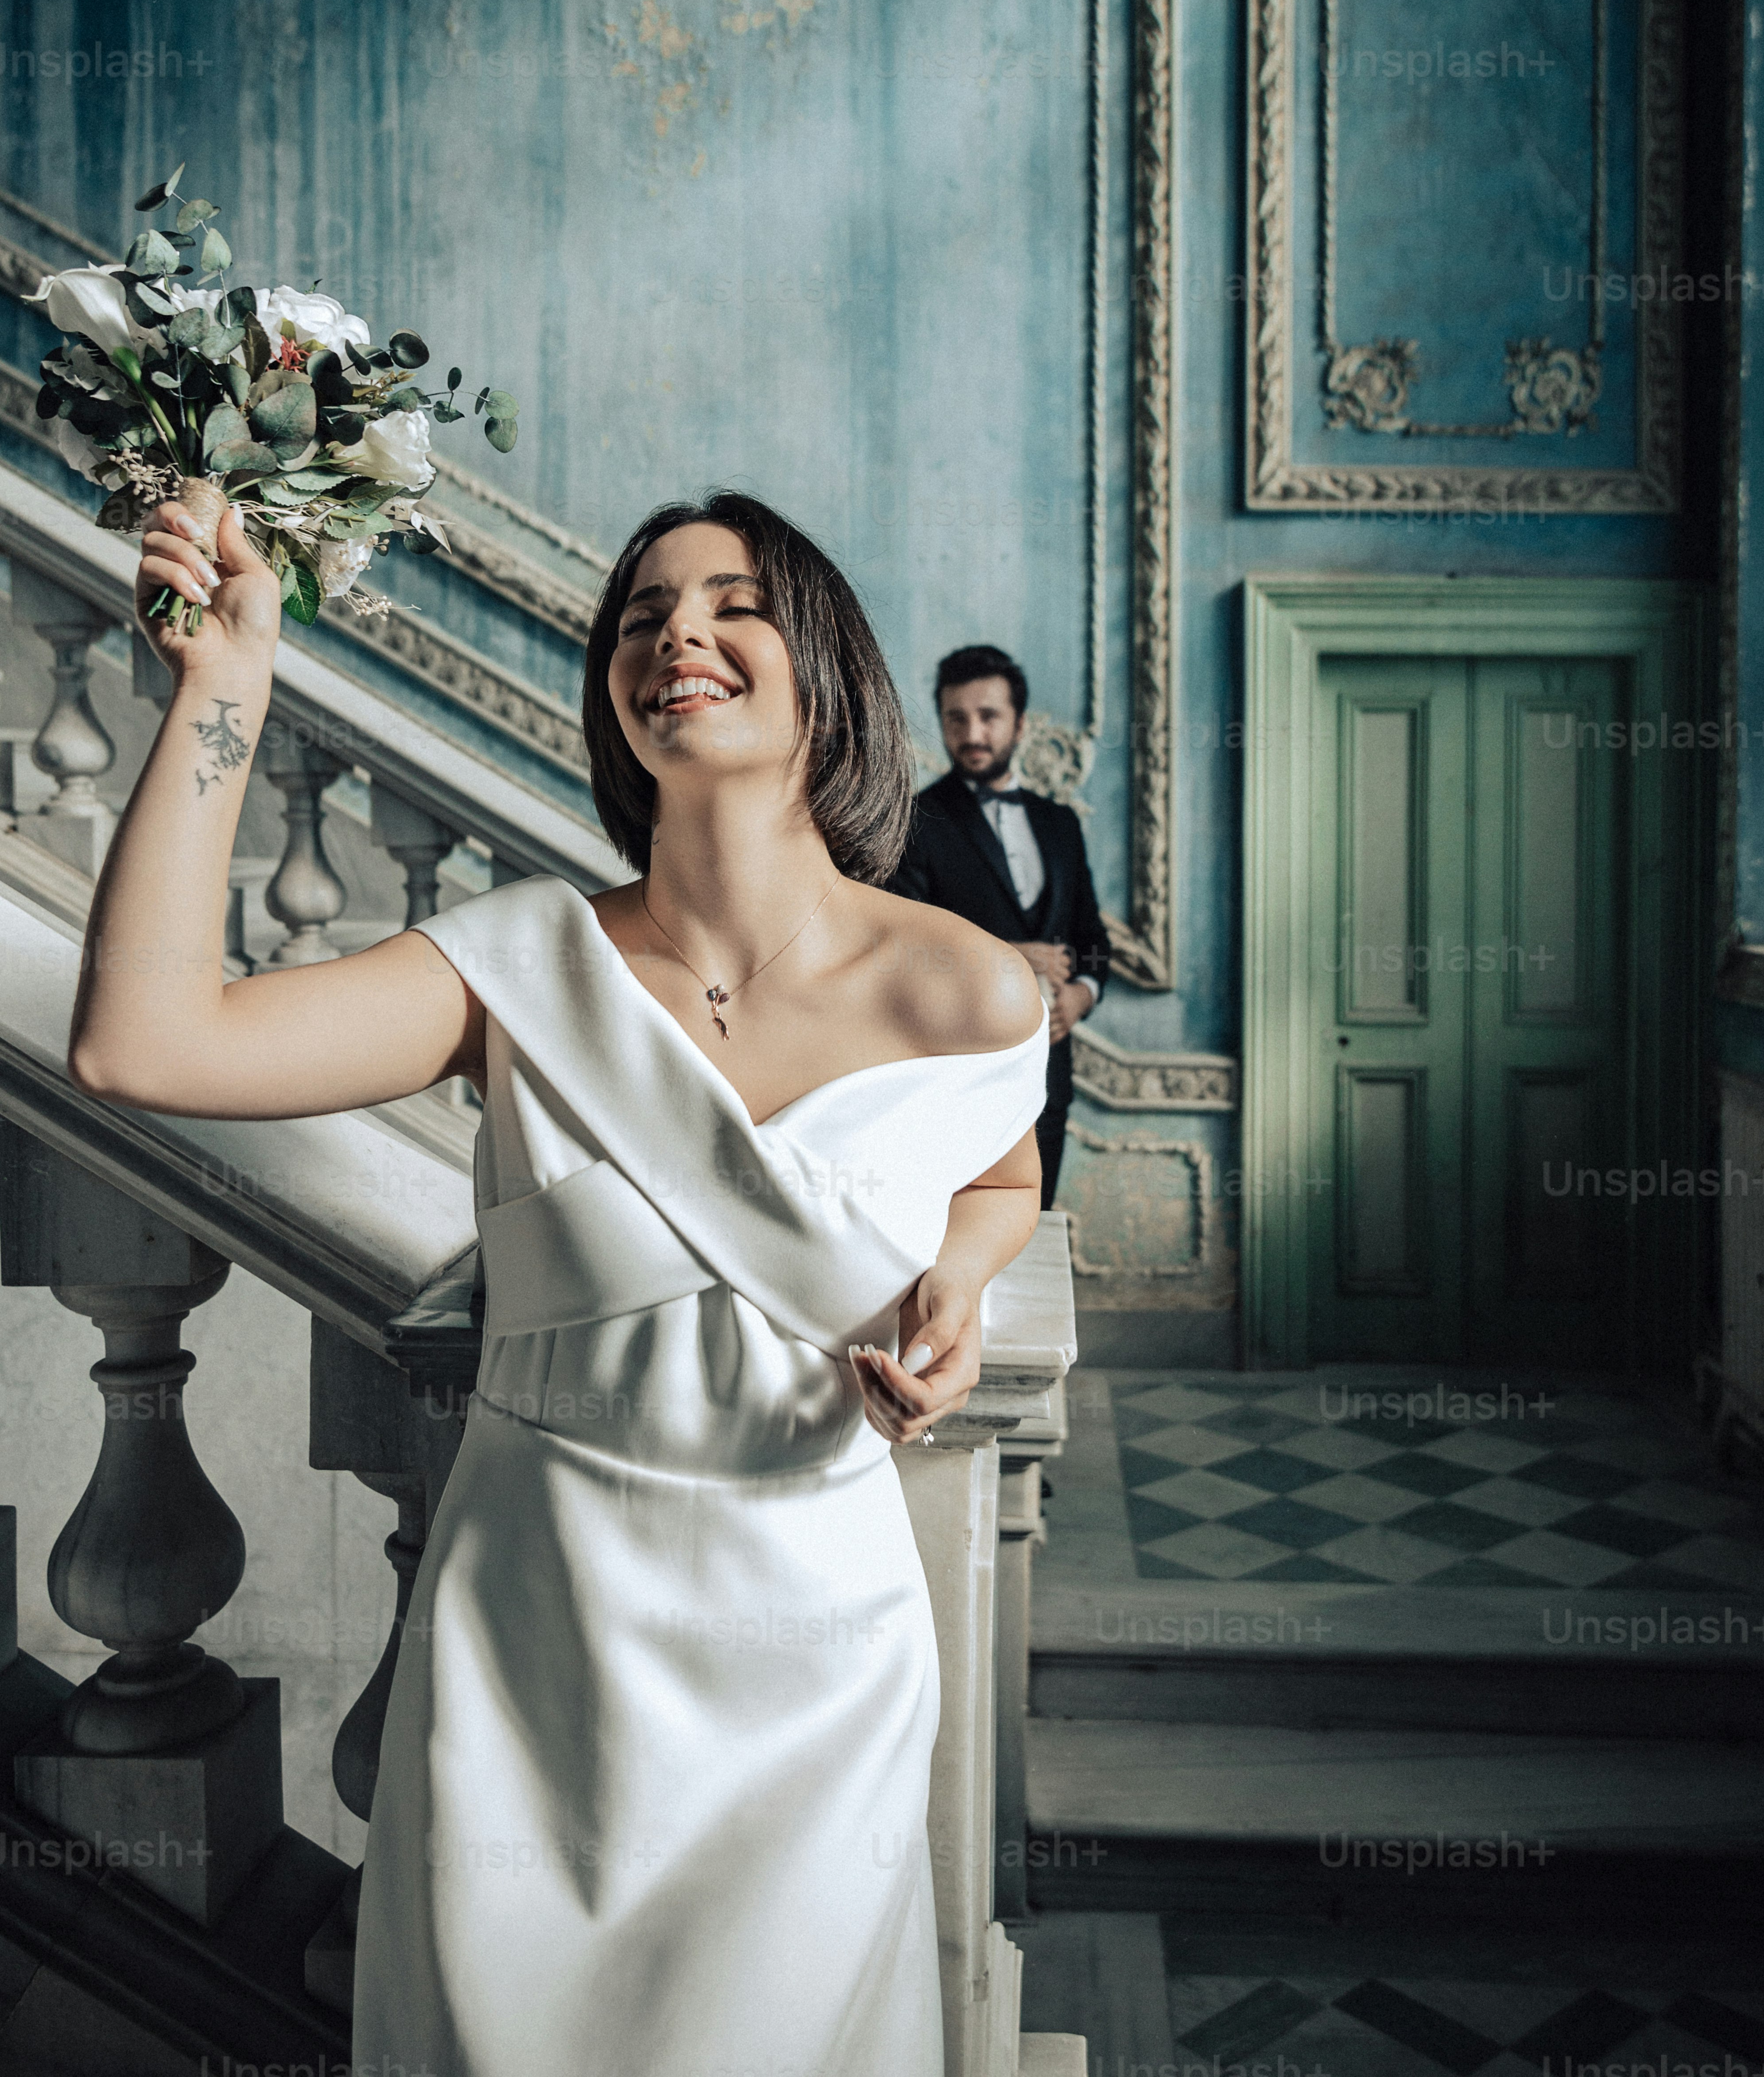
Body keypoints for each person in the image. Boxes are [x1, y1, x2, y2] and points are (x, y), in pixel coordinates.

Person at [64, 483, 1044, 2077]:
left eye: (731, 601)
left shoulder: (960, 981)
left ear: (828, 672)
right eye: (641, 615)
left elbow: (999, 1173)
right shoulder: (518, 967)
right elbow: (143, 1040)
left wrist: (962, 1282)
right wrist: (224, 688)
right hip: (535, 1639)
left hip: (818, 1650)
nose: (676, 632)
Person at [888, 644, 1109, 1211]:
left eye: (988, 716)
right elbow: (900, 950)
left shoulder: (1061, 825)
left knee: (1036, 1230)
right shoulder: (915, 821)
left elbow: (1092, 941)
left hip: (1050, 1081)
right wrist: (1010, 957)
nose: (972, 734)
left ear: (1021, 723)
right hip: (959, 1078)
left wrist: (1080, 998)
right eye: (955, 719)